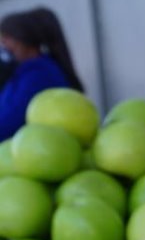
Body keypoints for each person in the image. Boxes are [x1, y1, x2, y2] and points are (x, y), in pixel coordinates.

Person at [0, 7, 84, 140]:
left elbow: (9, 124)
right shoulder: (21, 73)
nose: (3, 45)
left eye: (6, 38)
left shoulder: (39, 76)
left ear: (23, 38)